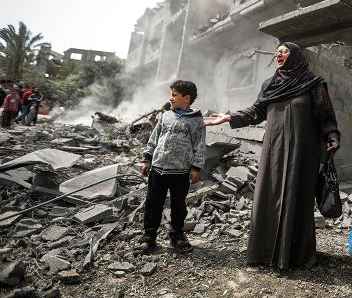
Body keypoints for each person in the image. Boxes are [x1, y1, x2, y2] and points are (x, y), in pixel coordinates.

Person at [205, 42, 340, 269]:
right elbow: (257, 111)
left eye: (283, 51)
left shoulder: (314, 84)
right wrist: (229, 118)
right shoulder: (270, 84)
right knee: (269, 195)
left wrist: (332, 136)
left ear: (295, 56)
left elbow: (326, 115)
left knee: (298, 195)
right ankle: (263, 253)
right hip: (274, 149)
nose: (278, 54)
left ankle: (297, 256)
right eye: (276, 51)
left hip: (303, 150)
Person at [135, 80, 206, 254]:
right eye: (171, 94)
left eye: (174, 95)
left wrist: (196, 168)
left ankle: (177, 235)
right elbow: (154, 138)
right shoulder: (165, 116)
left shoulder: (196, 121)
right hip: (158, 168)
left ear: (187, 98)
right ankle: (149, 237)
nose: (171, 98)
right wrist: (147, 158)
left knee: (178, 205)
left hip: (181, 172)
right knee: (153, 204)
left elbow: (200, 145)